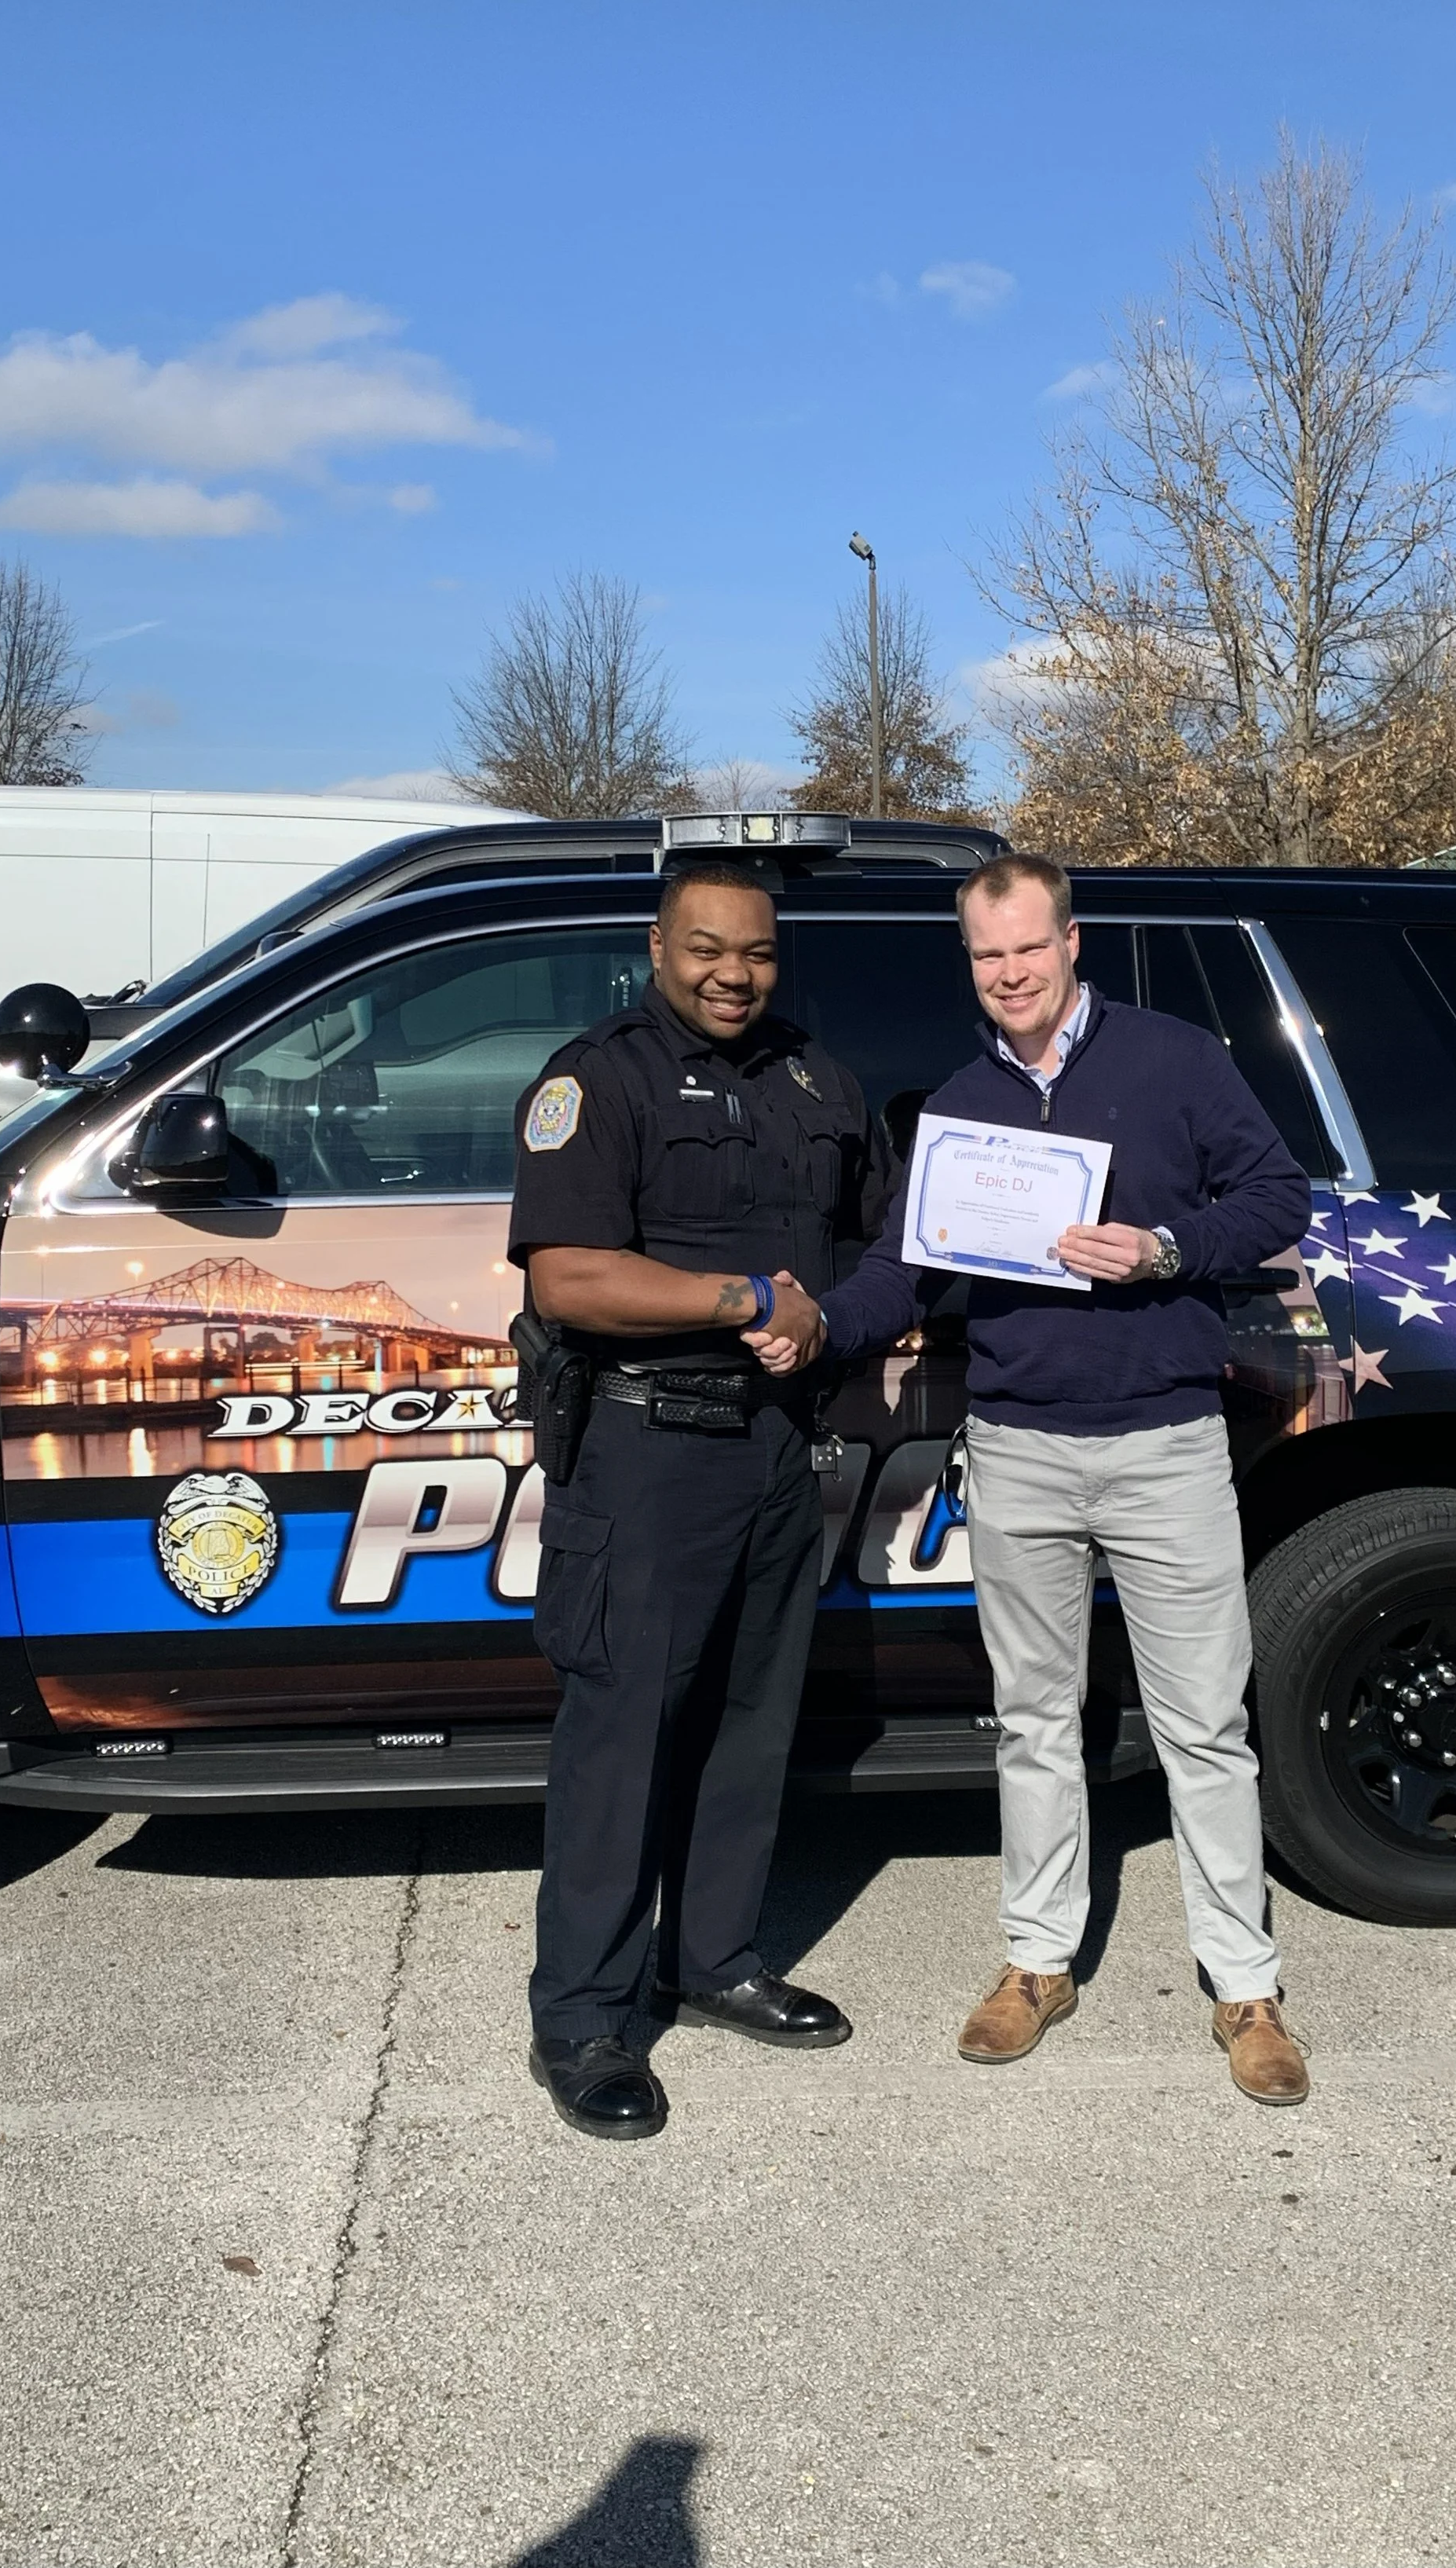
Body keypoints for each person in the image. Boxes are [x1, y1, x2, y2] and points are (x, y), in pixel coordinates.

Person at [750, 852, 1316, 2105]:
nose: (1009, 974)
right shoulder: (958, 1104)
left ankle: (1245, 1987)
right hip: (1017, 1445)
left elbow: (1282, 1198)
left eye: (1027, 949)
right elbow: (907, 1270)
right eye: (985, 956)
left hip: (1164, 1442)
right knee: (1034, 1720)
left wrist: (1166, 1249)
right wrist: (817, 1327)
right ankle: (1037, 1962)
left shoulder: (1174, 1060)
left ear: (1071, 944)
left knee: (1204, 1728)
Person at [509, 858, 890, 2140]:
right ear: (658, 946)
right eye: (708, 949)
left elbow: (884, 1238)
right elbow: (570, 1279)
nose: (735, 973)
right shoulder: (596, 1076)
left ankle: (715, 1959)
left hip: (780, 1447)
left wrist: (834, 1313)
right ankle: (585, 2017)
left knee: (749, 1722)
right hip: (649, 1449)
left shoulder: (815, 1079)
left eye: (760, 953)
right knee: (623, 1741)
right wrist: (748, 1303)